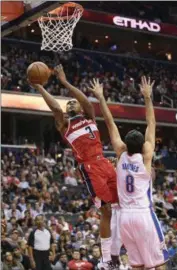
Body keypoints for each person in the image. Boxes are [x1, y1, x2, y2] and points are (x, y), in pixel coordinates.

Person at [29, 64, 118, 270]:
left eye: (73, 102)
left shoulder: (89, 116)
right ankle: (107, 259)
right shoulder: (65, 125)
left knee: (121, 207)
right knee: (105, 209)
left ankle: (119, 250)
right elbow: (55, 108)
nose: (71, 103)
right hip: (89, 167)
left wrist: (65, 81)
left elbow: (86, 101)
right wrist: (40, 87)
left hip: (104, 161)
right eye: (68, 103)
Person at [89, 77, 169, 269]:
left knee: (137, 265)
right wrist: (148, 97)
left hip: (125, 218)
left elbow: (109, 123)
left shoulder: (121, 153)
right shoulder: (146, 157)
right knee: (160, 263)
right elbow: (151, 123)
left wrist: (100, 97)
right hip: (143, 215)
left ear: (126, 145)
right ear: (143, 146)